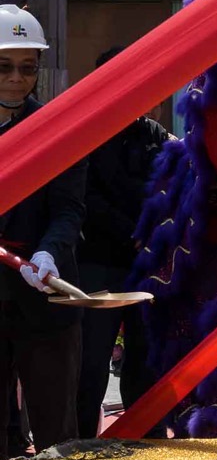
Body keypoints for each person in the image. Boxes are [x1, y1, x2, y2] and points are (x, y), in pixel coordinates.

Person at [0, 5, 87, 453]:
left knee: (56, 432)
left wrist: (49, 252)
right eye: (4, 67)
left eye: (28, 67)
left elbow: (68, 209)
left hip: (45, 296)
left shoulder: (56, 129)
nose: (17, 79)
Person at [74, 45, 170, 438]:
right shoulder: (84, 133)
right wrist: (130, 230)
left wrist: (149, 230)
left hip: (146, 264)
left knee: (146, 359)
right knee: (91, 361)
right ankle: (81, 441)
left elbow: (168, 188)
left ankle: (147, 437)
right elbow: (85, 197)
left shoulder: (153, 133)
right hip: (98, 262)